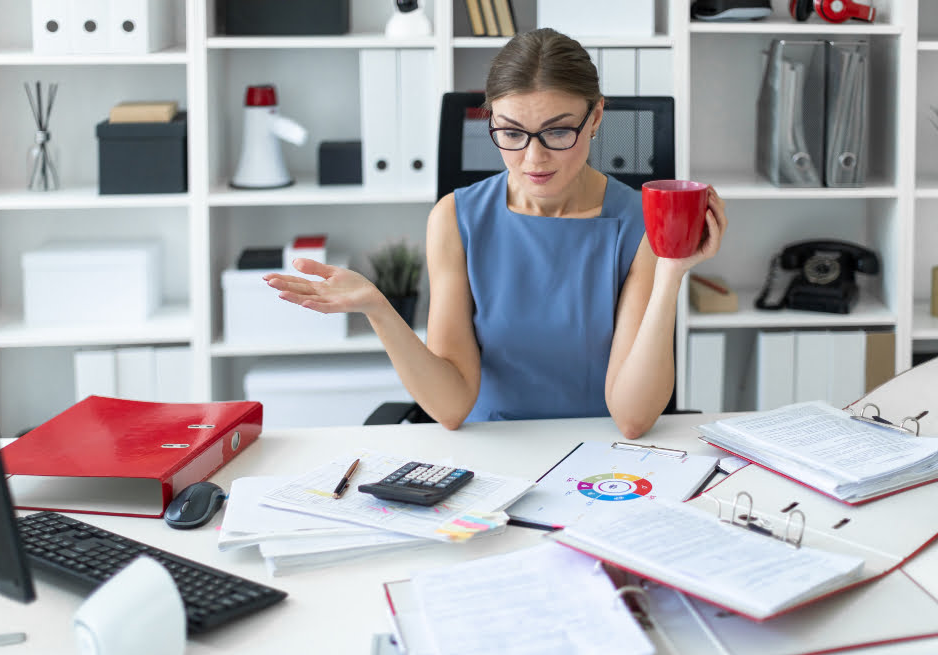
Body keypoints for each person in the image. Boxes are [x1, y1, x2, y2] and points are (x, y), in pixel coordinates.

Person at [264, 28, 728, 438]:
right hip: (494, 459)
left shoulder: (639, 223)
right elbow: (450, 408)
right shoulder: (455, 218)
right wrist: (378, 309)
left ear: (597, 117)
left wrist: (671, 272)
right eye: (511, 133)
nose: (533, 159)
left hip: (602, 458)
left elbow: (632, 418)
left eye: (558, 132)